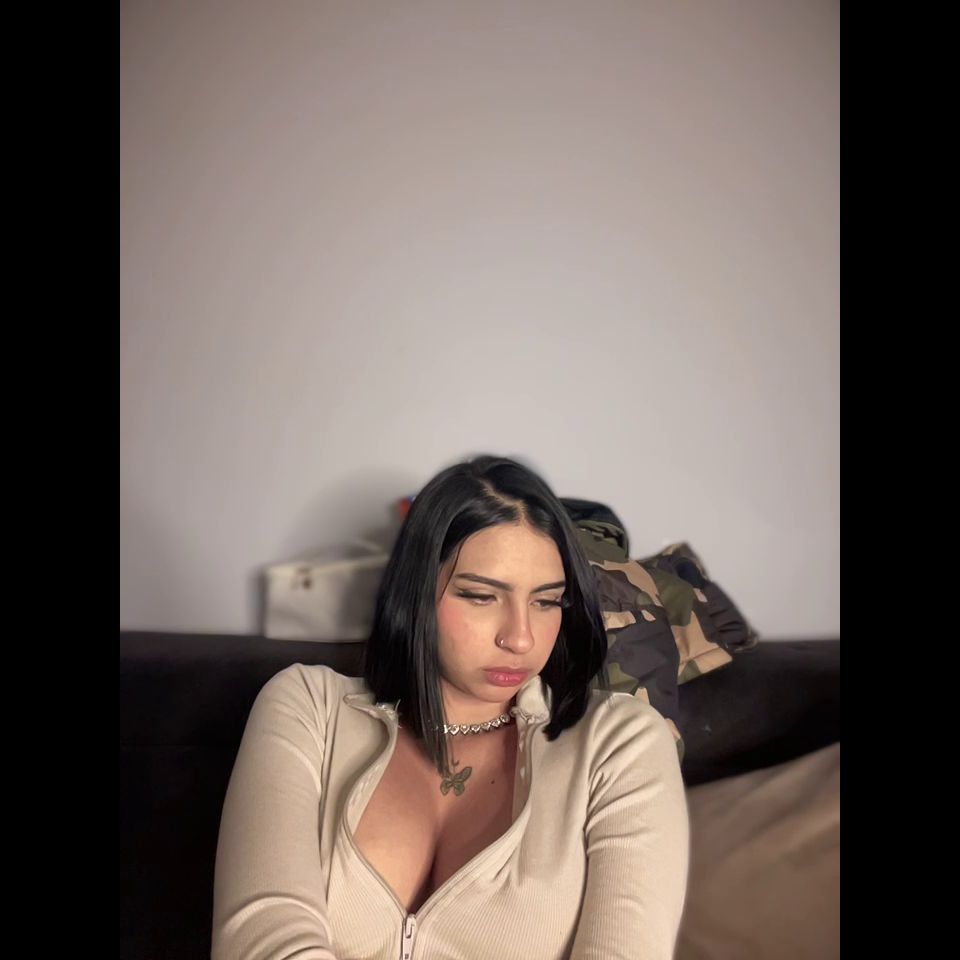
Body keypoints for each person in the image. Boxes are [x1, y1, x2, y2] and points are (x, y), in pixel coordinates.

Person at [212, 455, 689, 959]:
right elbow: (260, 940)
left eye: (546, 601)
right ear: (416, 593)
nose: (520, 638)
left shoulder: (620, 745)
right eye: (481, 596)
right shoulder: (309, 709)